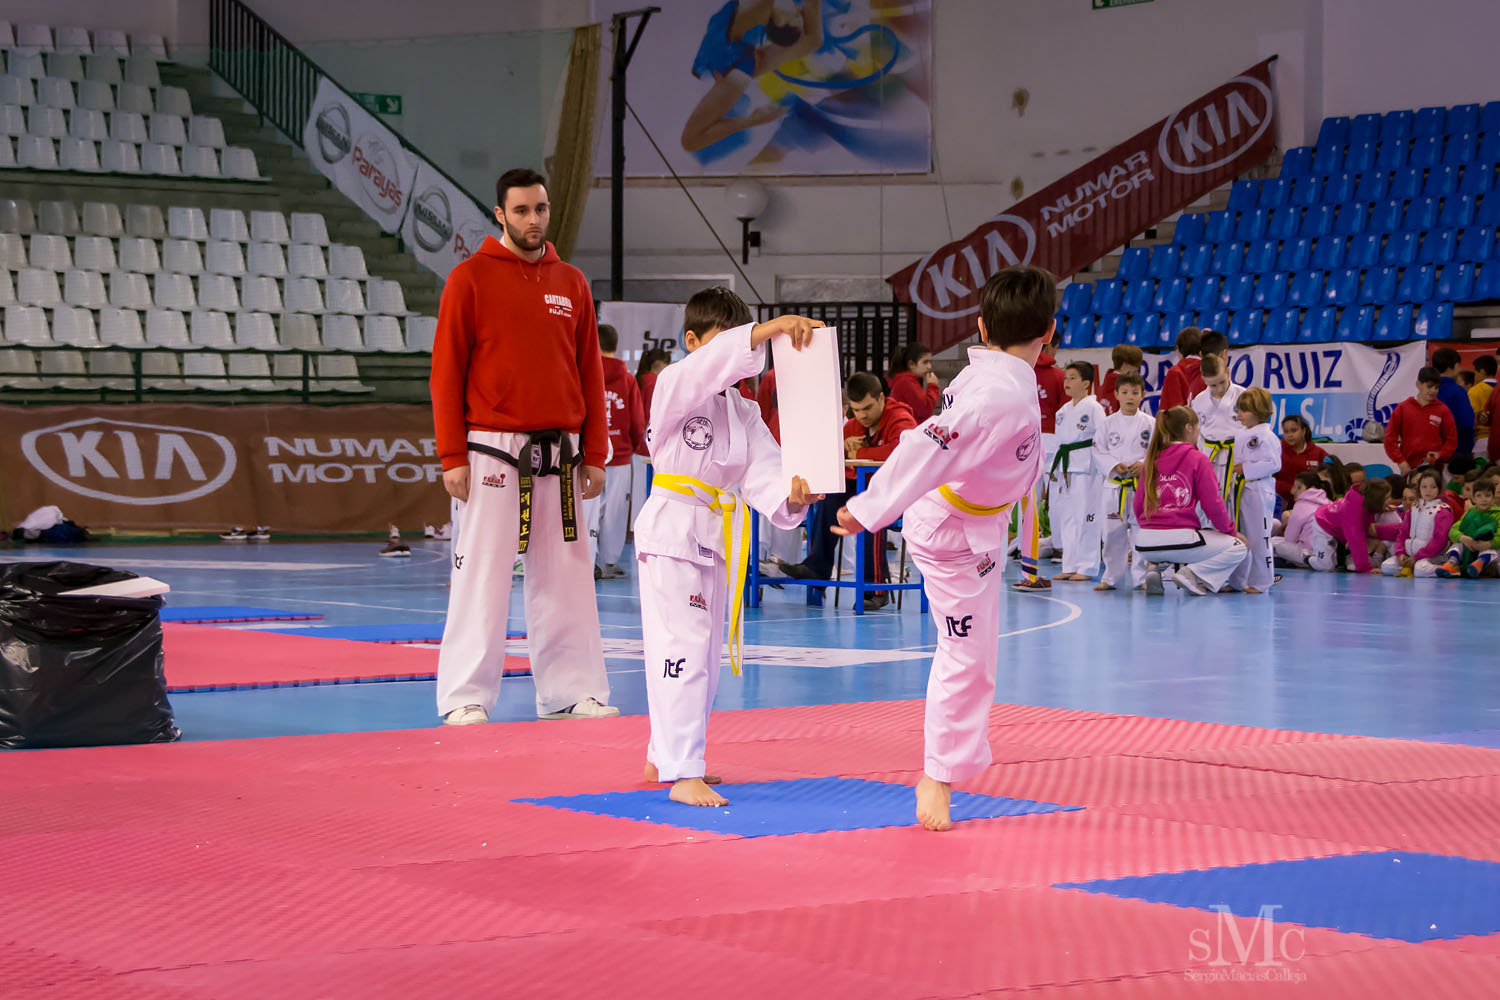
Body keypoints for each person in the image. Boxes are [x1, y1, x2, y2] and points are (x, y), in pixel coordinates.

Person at [828, 265, 1053, 832]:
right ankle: (938, 775)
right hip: (954, 532)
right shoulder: (994, 395)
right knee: (967, 659)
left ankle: (943, 769)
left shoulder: (996, 380)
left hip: (973, 527)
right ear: (1049, 331)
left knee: (975, 657)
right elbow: (924, 449)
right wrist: (868, 508)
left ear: (979, 327)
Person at [430, 167, 616, 726]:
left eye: (540, 209)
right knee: (481, 573)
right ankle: (464, 695)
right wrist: (451, 455)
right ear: (499, 215)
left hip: (561, 449)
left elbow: (590, 372)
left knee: (567, 576)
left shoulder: (572, 283)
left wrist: (598, 453)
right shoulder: (469, 279)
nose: (533, 220)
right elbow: (446, 373)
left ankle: (571, 691)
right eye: (521, 211)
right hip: (491, 446)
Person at [636, 290, 822, 805]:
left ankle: (664, 752)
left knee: (704, 655)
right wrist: (766, 329)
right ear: (692, 341)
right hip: (673, 529)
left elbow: (763, 471)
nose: (737, 356)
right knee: (685, 648)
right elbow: (709, 368)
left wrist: (794, 494)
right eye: (727, 338)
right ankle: (683, 771)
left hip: (717, 535)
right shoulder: (674, 384)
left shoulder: (743, 410)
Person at [779, 372, 916, 608]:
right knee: (830, 498)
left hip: (900, 497)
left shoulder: (901, 419)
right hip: (866, 492)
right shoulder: (852, 427)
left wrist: (858, 454)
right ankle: (816, 568)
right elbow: (831, 458)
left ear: (882, 398)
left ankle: (875, 588)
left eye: (868, 408)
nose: (862, 415)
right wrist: (842, 449)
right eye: (856, 409)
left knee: (869, 509)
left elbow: (904, 451)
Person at [1133, 406, 1249, 595]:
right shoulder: (1198, 459)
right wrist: (1232, 531)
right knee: (1238, 547)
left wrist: (1153, 527)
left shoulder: (1151, 459)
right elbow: (1213, 506)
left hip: (1144, 543)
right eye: (1197, 427)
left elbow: (1138, 505)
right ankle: (1193, 575)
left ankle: (1154, 567)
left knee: (1180, 544)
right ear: (1189, 427)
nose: (1199, 431)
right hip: (1180, 539)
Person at [682, 0, 823, 154]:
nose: (798, 8)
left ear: (781, 22)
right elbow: (814, 39)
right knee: (812, 40)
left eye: (797, 14)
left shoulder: (738, 72)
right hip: (732, 51)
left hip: (731, 60)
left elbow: (690, 140)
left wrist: (750, 121)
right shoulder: (754, 53)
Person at [585, 323, 648, 580]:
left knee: (588, 509)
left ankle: (588, 561)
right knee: (615, 511)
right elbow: (637, 420)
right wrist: (632, 445)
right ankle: (610, 561)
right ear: (615, 345)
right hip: (620, 454)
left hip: (590, 453)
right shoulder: (627, 379)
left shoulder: (585, 373)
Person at [1093, 372, 1153, 591]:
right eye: (1125, 392)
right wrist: (1113, 465)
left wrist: (1143, 463)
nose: (1130, 397)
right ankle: (1110, 577)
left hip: (1139, 487)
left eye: (1135, 393)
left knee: (1140, 531)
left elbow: (1157, 452)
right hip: (1114, 485)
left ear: (1142, 395)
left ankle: (1141, 578)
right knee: (1111, 533)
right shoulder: (1107, 424)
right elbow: (1098, 450)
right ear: (1116, 394)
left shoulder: (1151, 423)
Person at [1050, 360, 1105, 582]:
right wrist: (1053, 468)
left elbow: (1101, 440)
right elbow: (1059, 442)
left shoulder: (1094, 408)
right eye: (1065, 378)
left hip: (1087, 468)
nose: (1067, 382)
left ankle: (1088, 566)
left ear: (1086, 383)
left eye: (1072, 378)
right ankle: (1069, 564)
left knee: (1086, 517)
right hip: (1065, 468)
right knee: (1068, 518)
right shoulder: (1062, 411)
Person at [1225, 388, 1279, 594]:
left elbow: (1274, 463)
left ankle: (1261, 581)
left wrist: (1245, 469)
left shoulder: (1267, 436)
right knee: (1240, 536)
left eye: (1244, 410)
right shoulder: (1242, 434)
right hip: (1241, 489)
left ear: (1258, 410)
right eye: (1239, 410)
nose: (1239, 415)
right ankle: (1237, 580)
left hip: (1259, 489)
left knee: (1259, 537)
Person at [1308, 479, 1397, 573]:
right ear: (1376, 500)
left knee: (1335, 561)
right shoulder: (1354, 515)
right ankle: (1306, 557)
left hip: (1336, 526)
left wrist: (1381, 507)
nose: (1391, 500)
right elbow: (1357, 542)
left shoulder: (1364, 501)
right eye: (1386, 498)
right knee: (1326, 566)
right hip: (1323, 525)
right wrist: (1366, 568)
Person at [1191, 353, 1245, 502]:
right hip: (1210, 461)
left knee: (1236, 505)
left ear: (1228, 372)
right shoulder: (1199, 401)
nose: (1220, 388)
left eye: (1222, 382)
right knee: (1208, 505)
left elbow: (1253, 430)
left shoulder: (1244, 396)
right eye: (1213, 385)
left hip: (1236, 460)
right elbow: (1197, 436)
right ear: (1204, 380)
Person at [1380, 469, 1454, 577]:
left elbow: (1439, 540)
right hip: (1409, 554)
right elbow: (1402, 534)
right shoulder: (1413, 509)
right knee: (1386, 566)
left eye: (1433, 487)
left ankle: (1446, 569)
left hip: (1432, 555)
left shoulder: (1442, 511)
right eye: (1424, 487)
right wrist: (1400, 553)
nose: (1428, 491)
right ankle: (1411, 567)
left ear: (1439, 488)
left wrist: (1417, 557)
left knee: (1421, 570)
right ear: (1419, 488)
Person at [1384, 366, 1458, 474]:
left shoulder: (1443, 410)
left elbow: (1451, 439)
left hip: (1434, 467)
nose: (1433, 391)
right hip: (1409, 467)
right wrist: (1401, 461)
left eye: (1436, 387)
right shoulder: (1403, 408)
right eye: (1429, 386)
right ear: (1418, 384)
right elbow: (1390, 438)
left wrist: (1440, 454)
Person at [1436, 475, 1500, 578]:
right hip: (1470, 548)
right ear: (1473, 498)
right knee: (1458, 543)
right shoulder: (1470, 513)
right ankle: (1452, 564)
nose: (1483, 499)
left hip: (1488, 551)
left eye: (1487, 495)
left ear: (1493, 498)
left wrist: (1489, 543)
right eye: (1479, 496)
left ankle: (1479, 564)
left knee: (1493, 550)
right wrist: (1463, 538)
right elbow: (1453, 530)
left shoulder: (1498, 514)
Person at [1272, 470, 1329, 568]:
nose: (1292, 491)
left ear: (1312, 489)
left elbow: (1290, 538)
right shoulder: (1329, 503)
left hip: (1307, 553)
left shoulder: (1301, 505)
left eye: (1298, 487)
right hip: (1327, 555)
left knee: (1272, 542)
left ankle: (1293, 561)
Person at [1275, 413, 1327, 507]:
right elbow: (1269, 479)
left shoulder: (1318, 453)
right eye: (1286, 431)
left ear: (1303, 431)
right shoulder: (1277, 452)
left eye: (1294, 430)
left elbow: (1329, 477)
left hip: (1313, 504)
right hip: (1282, 504)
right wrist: (1291, 488)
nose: (1290, 435)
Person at [1432, 347, 1477, 456]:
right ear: (1455, 365)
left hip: (1430, 451)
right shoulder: (1458, 391)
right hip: (1454, 452)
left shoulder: (1426, 391)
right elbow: (1466, 422)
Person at [887, 341, 941, 422]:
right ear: (911, 364)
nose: (929, 367)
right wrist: (932, 386)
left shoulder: (904, 380)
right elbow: (925, 410)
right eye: (925, 362)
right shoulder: (906, 382)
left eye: (930, 362)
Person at [1158, 327, 1204, 412]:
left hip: (1185, 423)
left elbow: (1171, 411)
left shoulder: (1175, 372)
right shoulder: (1210, 369)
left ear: (1178, 350)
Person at [1097, 343, 1144, 416]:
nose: (1138, 368)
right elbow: (1134, 417)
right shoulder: (1127, 387)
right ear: (1125, 364)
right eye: (1136, 365)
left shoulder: (1103, 386)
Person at [1471, 355, 1496, 432]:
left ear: (1482, 372)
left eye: (1475, 372)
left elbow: (1471, 418)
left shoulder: (1474, 390)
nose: (1474, 376)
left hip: (1481, 436)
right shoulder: (1497, 389)